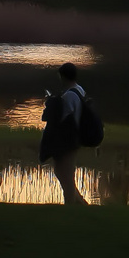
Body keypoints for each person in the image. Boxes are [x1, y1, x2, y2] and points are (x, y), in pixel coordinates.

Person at [39, 61, 88, 205]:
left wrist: (52, 104)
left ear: (63, 77)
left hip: (68, 140)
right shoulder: (79, 89)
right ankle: (80, 203)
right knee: (63, 173)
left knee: (65, 174)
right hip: (75, 137)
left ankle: (71, 206)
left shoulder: (69, 96)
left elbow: (61, 118)